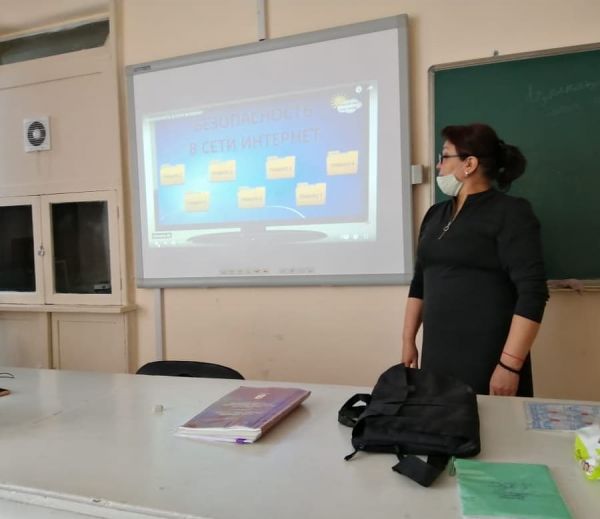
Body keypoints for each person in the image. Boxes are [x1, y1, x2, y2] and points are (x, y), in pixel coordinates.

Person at [402, 123, 549, 397]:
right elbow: (420, 282)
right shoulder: (435, 214)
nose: (438, 165)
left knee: (489, 424)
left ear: (469, 164)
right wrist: (408, 340)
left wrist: (509, 365)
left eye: (445, 156)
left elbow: (533, 293)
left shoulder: (511, 213)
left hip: (488, 360)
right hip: (438, 357)